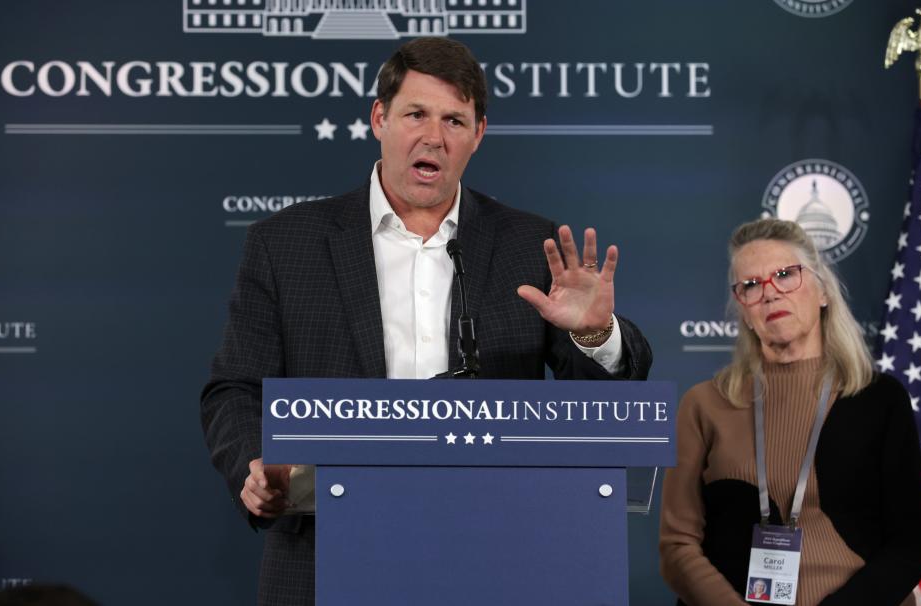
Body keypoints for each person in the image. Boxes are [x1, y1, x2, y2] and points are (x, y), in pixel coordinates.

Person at [201, 37, 651, 605]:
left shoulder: (527, 248)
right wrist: (254, 466)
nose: (433, 137)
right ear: (379, 118)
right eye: (416, 114)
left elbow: (604, 406)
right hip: (324, 553)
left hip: (493, 555)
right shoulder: (286, 245)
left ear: (478, 135)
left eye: (455, 120)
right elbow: (234, 388)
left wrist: (592, 334)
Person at [659, 218, 921, 606]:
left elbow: (910, 548)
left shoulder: (880, 398)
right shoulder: (703, 404)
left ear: (822, 291)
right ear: (742, 307)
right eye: (751, 286)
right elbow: (677, 547)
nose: (769, 294)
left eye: (785, 275)